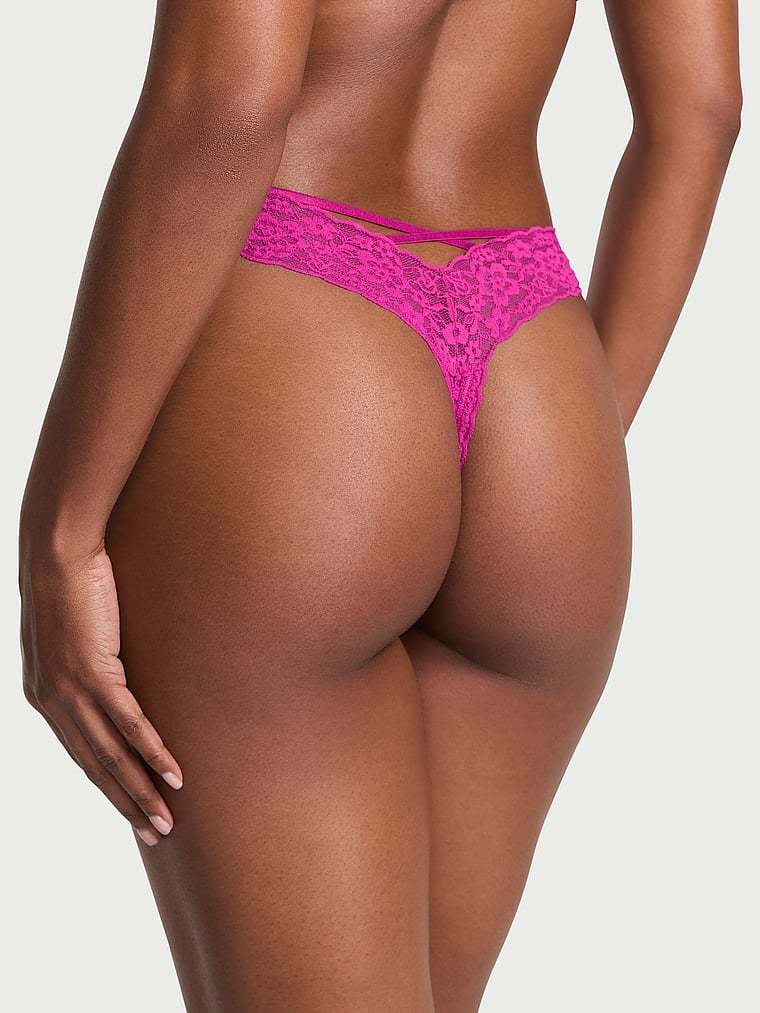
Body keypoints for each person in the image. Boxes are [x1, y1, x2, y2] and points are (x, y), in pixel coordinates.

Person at [18, 1, 741, 1010]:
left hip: (304, 343)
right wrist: (556, 469)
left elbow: (230, 101)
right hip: (539, 368)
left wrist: (61, 531)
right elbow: (702, 110)